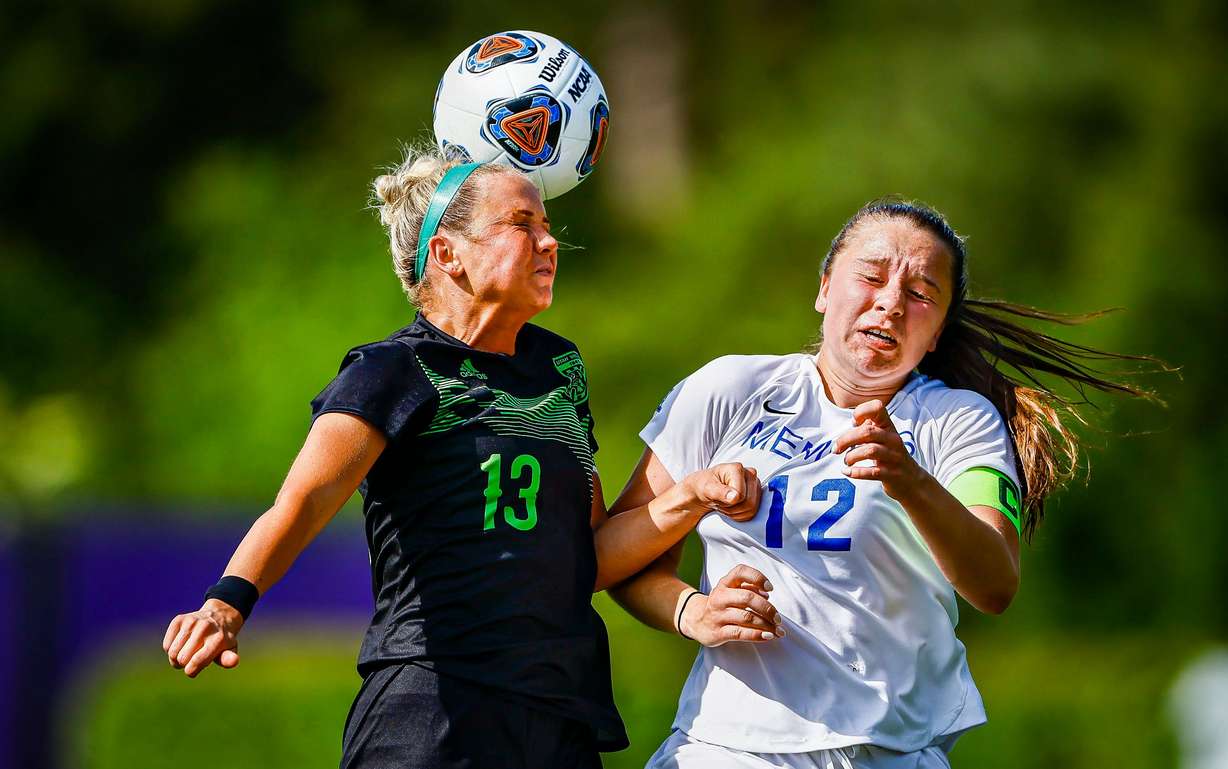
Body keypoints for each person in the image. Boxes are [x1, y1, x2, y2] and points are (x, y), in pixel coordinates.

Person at [160, 146, 766, 769]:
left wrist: (690, 497)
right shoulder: (392, 369)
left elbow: (586, 557)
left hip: (559, 711)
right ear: (448, 253)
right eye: (521, 226)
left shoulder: (560, 371)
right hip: (433, 704)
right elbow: (304, 502)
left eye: (547, 226)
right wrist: (227, 602)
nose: (549, 243)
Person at [608, 199, 1160, 769]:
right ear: (824, 289)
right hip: (728, 747)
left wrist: (910, 481)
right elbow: (615, 557)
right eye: (871, 277)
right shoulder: (728, 388)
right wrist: (690, 609)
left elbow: (996, 584)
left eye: (921, 294)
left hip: (893, 750)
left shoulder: (959, 420)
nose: (892, 302)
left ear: (938, 332)